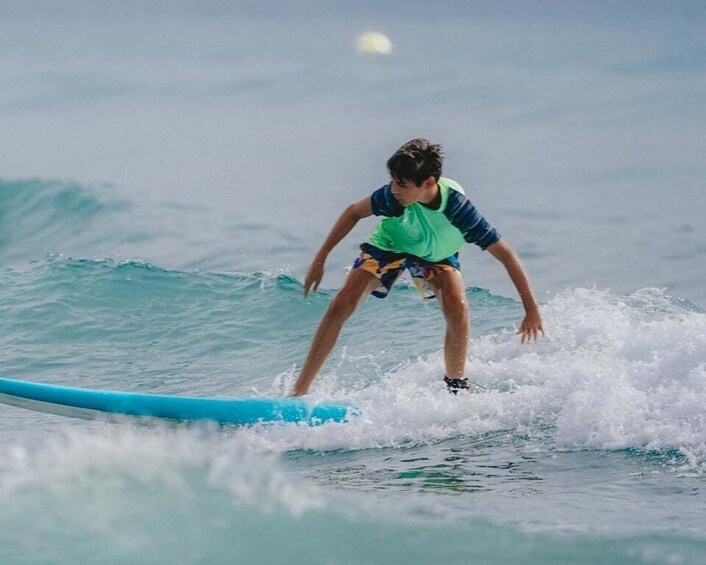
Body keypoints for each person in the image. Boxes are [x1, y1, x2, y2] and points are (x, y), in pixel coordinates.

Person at [289, 138, 543, 396]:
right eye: (393, 181)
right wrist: (320, 260)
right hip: (390, 244)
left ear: (429, 183)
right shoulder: (394, 197)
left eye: (402, 184)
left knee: (458, 307)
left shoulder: (459, 210)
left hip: (436, 254)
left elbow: (507, 255)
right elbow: (353, 212)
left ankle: (456, 387)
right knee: (343, 301)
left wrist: (531, 309)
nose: (394, 189)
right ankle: (299, 392)